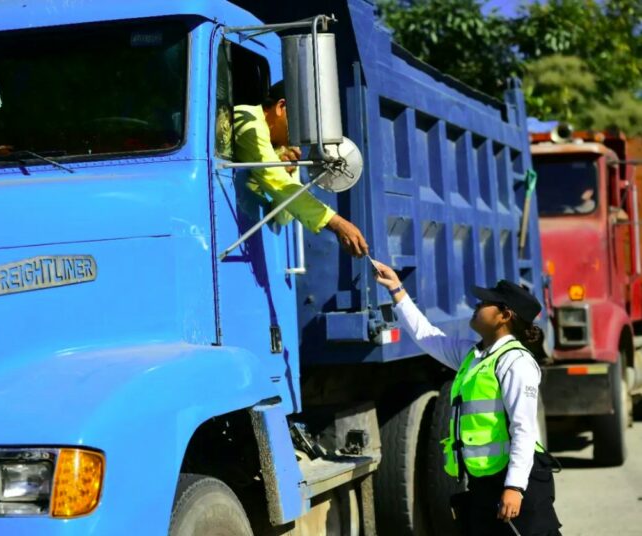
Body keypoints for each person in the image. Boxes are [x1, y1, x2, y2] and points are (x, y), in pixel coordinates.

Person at [372, 260, 562, 536]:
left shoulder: (516, 363)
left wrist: (514, 487)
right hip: (483, 483)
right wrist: (397, 291)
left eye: (486, 302)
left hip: (517, 483)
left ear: (504, 315)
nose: (477, 305)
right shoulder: (474, 357)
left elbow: (523, 429)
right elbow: (427, 336)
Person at [233, 81, 368, 257]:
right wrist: (336, 222)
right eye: (301, 125)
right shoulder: (248, 122)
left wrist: (289, 170)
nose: (302, 136)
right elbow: (277, 182)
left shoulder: (277, 149)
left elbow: (283, 217)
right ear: (281, 107)